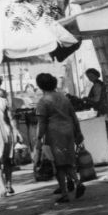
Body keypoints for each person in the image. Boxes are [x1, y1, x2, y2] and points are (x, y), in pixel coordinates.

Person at [35, 73, 85, 203]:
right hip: (68, 131)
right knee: (66, 161)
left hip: (54, 133)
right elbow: (73, 116)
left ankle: (67, 191)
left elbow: (42, 123)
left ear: (40, 86)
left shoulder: (43, 101)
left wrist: (38, 139)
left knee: (58, 165)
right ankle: (75, 184)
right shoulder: (63, 97)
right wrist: (78, 133)